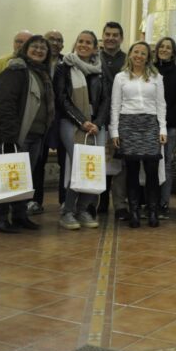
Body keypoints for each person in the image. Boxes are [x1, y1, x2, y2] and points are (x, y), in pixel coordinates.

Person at [0, 35, 54, 233]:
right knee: (7, 176)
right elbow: (5, 104)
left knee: (24, 178)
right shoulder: (16, 70)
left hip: (36, 135)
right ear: (25, 49)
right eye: (34, 47)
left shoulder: (43, 73)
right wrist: (10, 136)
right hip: (17, 134)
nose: (38, 50)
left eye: (43, 48)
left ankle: (20, 215)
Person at [54, 31, 110, 230]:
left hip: (96, 126)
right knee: (79, 164)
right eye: (81, 41)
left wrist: (98, 122)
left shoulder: (100, 70)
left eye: (89, 43)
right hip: (72, 123)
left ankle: (83, 210)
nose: (84, 45)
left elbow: (105, 100)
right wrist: (81, 121)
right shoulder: (64, 67)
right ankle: (67, 211)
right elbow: (61, 98)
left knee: (93, 166)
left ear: (95, 47)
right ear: (75, 43)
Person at [110, 42, 167, 228]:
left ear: (148, 57)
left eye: (143, 53)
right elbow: (115, 106)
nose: (139, 56)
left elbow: (161, 105)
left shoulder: (156, 77)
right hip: (128, 124)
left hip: (151, 124)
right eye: (136, 52)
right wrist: (115, 131)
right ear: (130, 54)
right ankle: (133, 211)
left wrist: (163, 129)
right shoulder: (120, 77)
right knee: (132, 171)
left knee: (151, 170)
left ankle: (152, 211)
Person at [29, 29, 65, 216]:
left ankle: (64, 201)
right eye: (51, 39)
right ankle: (35, 200)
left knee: (64, 161)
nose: (55, 43)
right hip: (40, 120)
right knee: (37, 161)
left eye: (59, 40)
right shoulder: (35, 64)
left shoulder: (67, 64)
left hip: (61, 119)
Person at [99, 22, 129, 219]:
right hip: (99, 119)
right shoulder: (94, 57)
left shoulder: (128, 60)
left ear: (121, 38)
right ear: (103, 36)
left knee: (120, 163)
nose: (111, 38)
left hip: (121, 119)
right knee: (99, 161)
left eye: (115, 35)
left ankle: (119, 204)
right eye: (107, 34)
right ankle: (97, 202)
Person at [154, 37, 176, 219]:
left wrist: (164, 122)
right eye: (162, 47)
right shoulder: (149, 70)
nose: (165, 50)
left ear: (173, 53)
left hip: (170, 126)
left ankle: (163, 203)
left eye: (168, 48)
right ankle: (150, 201)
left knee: (165, 165)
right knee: (149, 164)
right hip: (148, 126)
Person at [0, 30, 32, 101]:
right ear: (13, 43)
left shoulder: (35, 65)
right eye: (18, 41)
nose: (22, 45)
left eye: (26, 43)